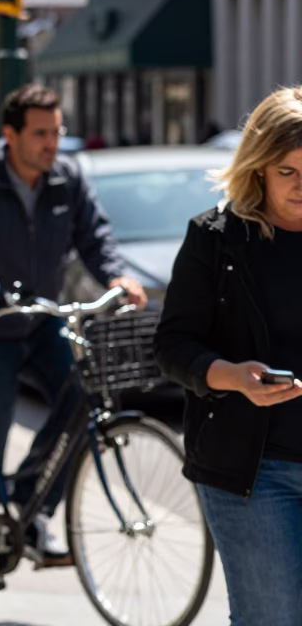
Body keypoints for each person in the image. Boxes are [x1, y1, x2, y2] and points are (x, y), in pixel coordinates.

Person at [0, 84, 145, 570]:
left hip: (42, 317)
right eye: (40, 134)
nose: (51, 144)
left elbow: (96, 236)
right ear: (10, 134)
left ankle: (29, 508)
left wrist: (116, 275)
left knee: (83, 403)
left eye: (56, 132)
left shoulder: (66, 178)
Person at [155, 87, 302, 624]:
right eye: (288, 172)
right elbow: (172, 347)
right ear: (259, 168)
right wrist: (231, 377)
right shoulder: (215, 239)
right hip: (254, 472)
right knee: (273, 616)